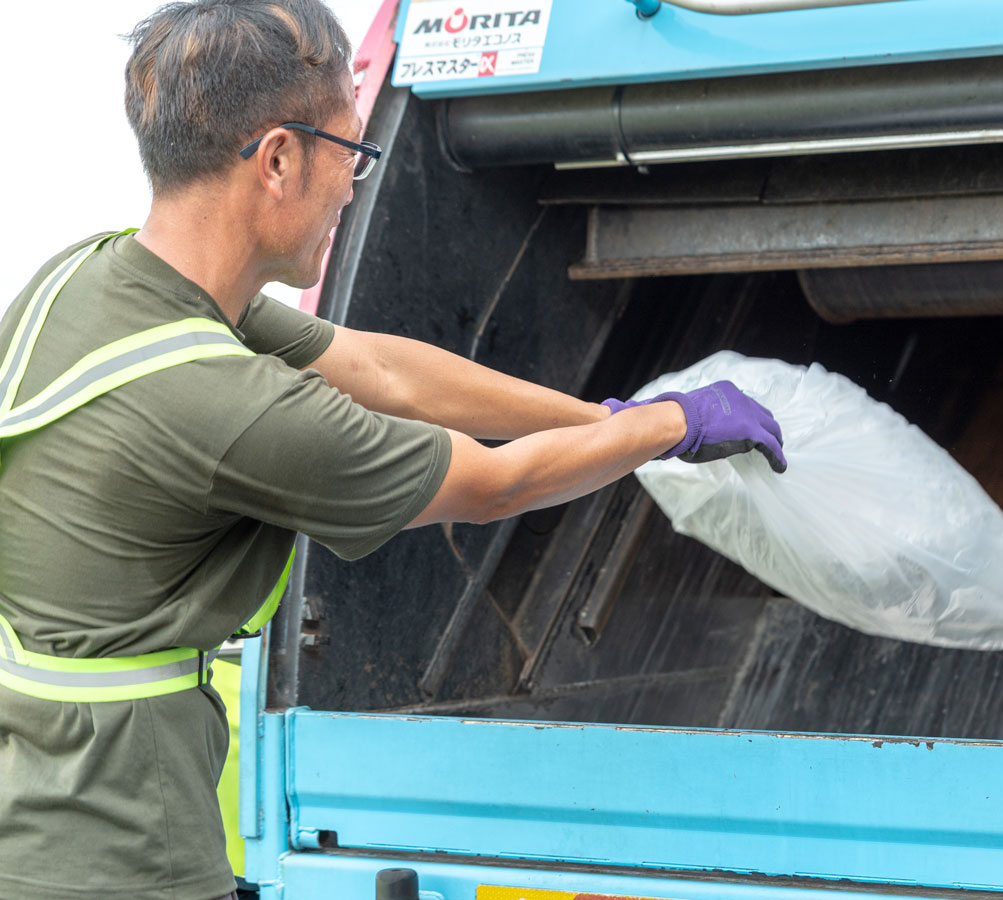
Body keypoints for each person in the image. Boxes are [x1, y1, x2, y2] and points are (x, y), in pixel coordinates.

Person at [0, 1, 786, 898]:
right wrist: (670, 426)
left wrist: (593, 414)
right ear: (280, 158)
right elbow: (491, 485)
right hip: (126, 854)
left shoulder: (90, 280)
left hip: (31, 815)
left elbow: (379, 367)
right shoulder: (225, 406)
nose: (352, 187)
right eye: (351, 153)